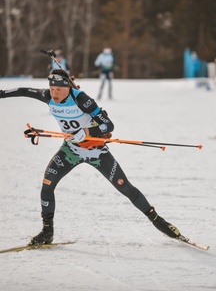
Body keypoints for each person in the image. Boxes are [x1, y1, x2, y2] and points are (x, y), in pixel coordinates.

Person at [0, 69, 181, 246]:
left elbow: (108, 125)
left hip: (96, 152)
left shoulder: (81, 99)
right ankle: (47, 231)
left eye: (59, 90)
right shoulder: (47, 96)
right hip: (71, 150)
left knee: (126, 188)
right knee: (47, 184)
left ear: (68, 88)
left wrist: (86, 131)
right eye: (52, 89)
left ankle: (158, 221)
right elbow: (23, 91)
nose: (54, 94)